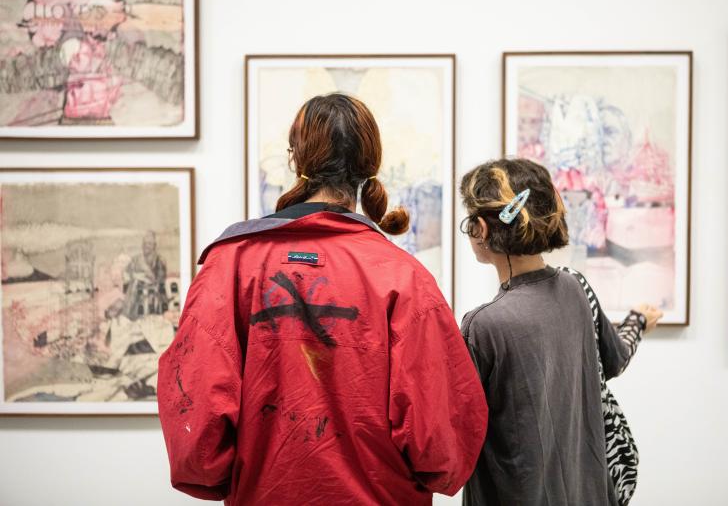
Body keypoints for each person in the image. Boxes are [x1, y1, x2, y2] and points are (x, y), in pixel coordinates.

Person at [157, 93, 488, 505]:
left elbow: (197, 421)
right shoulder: (403, 276)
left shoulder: (231, 263)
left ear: (297, 159)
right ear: (369, 164)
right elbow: (442, 448)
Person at [458, 158, 662, 506]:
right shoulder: (576, 287)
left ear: (481, 228)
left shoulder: (484, 325)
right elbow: (614, 360)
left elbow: (454, 433)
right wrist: (637, 321)